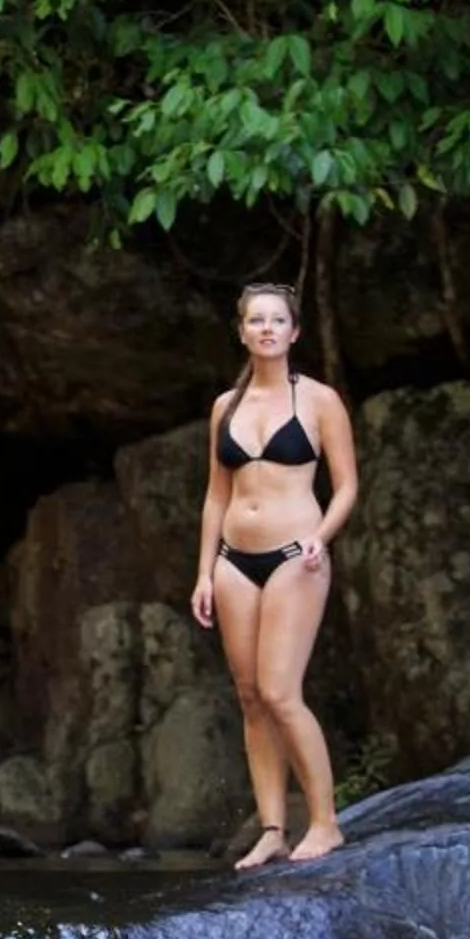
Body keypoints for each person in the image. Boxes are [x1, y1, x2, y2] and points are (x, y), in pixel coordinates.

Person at [188, 280, 358, 869]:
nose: (266, 328)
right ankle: (271, 829)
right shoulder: (224, 408)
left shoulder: (318, 400)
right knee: (251, 696)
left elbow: (348, 486)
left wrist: (320, 536)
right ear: (241, 332)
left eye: (276, 320)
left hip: (295, 555)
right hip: (234, 560)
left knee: (282, 692)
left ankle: (327, 824)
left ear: (294, 332)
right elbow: (215, 495)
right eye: (255, 320)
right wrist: (205, 571)